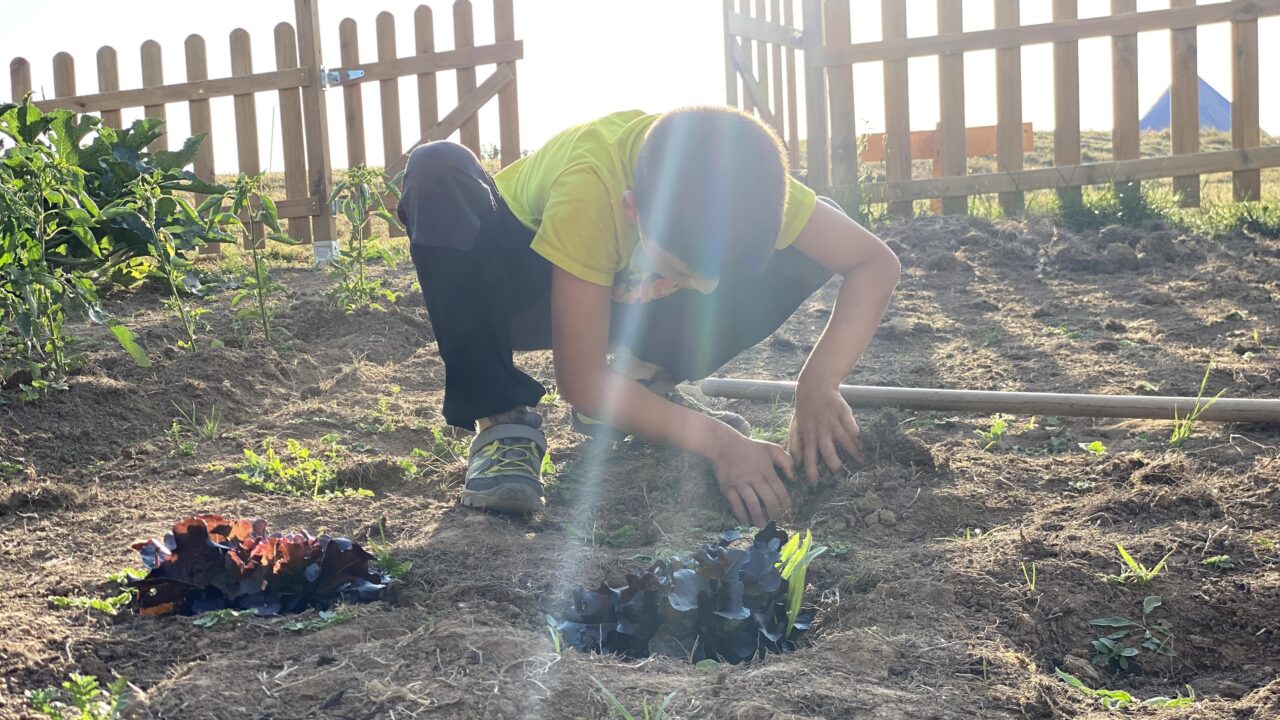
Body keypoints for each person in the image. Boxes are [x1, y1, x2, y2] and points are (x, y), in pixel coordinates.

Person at [398, 107, 899, 526]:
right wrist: (720, 443)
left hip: (626, 301)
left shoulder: (747, 186)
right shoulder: (591, 185)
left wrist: (819, 383)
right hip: (521, 295)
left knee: (818, 236)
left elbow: (873, 263)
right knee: (436, 166)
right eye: (685, 270)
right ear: (632, 208)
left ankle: (639, 380)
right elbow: (579, 380)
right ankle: (501, 420)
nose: (708, 291)